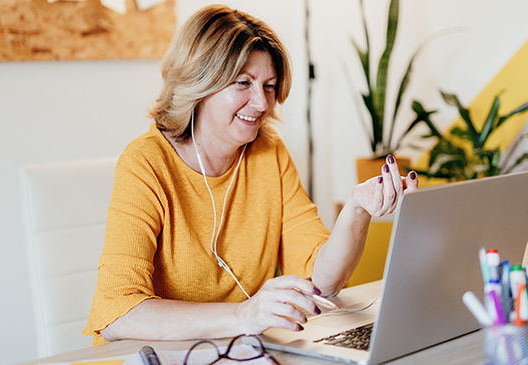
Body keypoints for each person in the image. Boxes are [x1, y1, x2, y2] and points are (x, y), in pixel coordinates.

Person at [82, 4, 418, 346]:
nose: (261, 103)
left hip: (234, 353)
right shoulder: (145, 163)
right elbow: (118, 314)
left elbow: (323, 282)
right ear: (200, 83)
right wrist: (245, 314)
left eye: (269, 86)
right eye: (243, 83)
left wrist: (357, 209)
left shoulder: (268, 152)